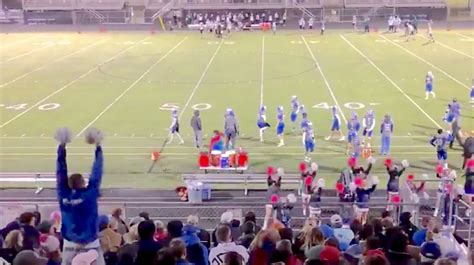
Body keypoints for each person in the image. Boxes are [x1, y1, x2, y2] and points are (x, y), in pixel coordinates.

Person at [55, 127, 105, 265]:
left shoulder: (63, 194)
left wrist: (62, 147)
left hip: (69, 244)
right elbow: (97, 171)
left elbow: (60, 172)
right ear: (84, 182)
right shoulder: (90, 194)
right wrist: (98, 147)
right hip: (91, 244)